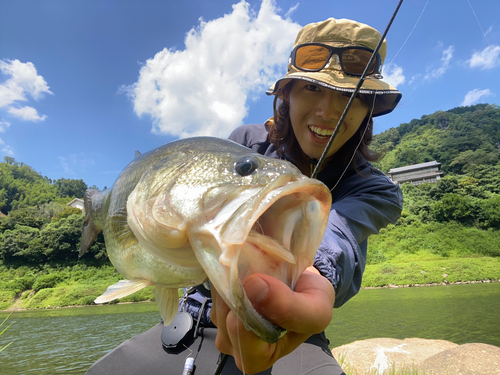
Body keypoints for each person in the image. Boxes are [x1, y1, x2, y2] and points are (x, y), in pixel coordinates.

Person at [85, 18, 403, 375]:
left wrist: (312, 273)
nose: (328, 112)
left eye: (349, 96)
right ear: (287, 95)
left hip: (294, 337)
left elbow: (339, 235)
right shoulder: (246, 143)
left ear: (368, 111)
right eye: (313, 90)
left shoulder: (377, 190)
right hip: (189, 320)